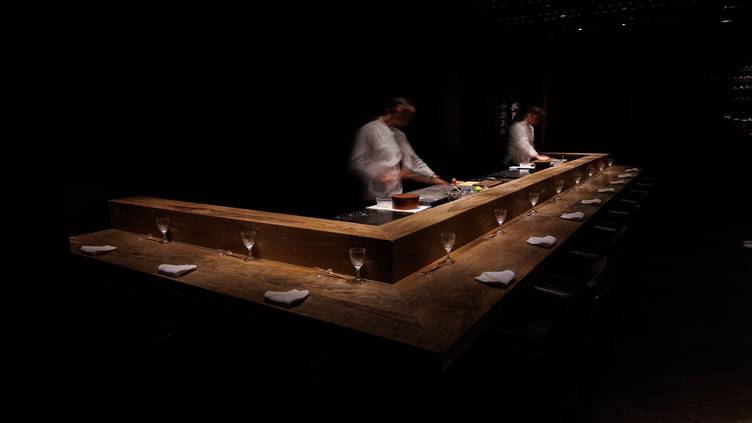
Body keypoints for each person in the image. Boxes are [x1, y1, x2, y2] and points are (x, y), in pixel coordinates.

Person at [349, 97, 448, 201]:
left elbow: (414, 161)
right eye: (404, 112)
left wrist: (434, 178)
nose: (407, 117)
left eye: (410, 115)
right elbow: (356, 162)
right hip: (373, 197)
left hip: (395, 195)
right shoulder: (369, 129)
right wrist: (378, 174)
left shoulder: (400, 135)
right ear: (389, 110)